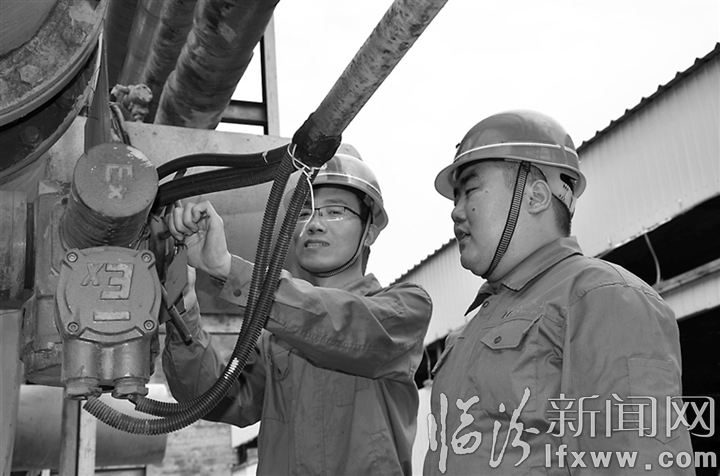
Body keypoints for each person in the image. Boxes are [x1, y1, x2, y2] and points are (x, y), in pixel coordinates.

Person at [423, 110, 694, 475]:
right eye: (454, 198)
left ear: (535, 196)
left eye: (469, 190)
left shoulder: (603, 297)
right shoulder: (469, 331)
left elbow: (639, 462)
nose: (455, 213)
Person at [162, 153, 432, 475]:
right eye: (304, 213)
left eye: (335, 211)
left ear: (369, 232)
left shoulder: (405, 309)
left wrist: (229, 269)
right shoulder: (275, 335)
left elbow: (340, 326)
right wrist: (183, 307)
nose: (314, 224)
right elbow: (215, 397)